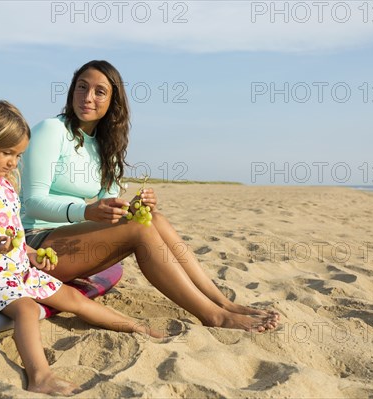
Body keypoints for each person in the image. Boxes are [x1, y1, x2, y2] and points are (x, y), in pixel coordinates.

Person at [21, 60, 279, 333]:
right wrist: (85, 212)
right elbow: (33, 203)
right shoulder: (52, 130)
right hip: (37, 244)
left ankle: (222, 303)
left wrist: (130, 209)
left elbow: (107, 207)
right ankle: (213, 316)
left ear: (113, 102)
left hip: (75, 243)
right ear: (72, 91)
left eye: (99, 92)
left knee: (153, 219)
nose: (87, 97)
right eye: (82, 88)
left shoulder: (104, 145)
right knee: (140, 231)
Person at [0, 100, 163, 396]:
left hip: (17, 269)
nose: (13, 162)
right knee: (26, 309)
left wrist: (33, 255)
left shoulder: (7, 185)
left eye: (18, 154)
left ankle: (133, 326)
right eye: (7, 153)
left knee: (73, 298)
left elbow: (16, 236)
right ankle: (40, 376)